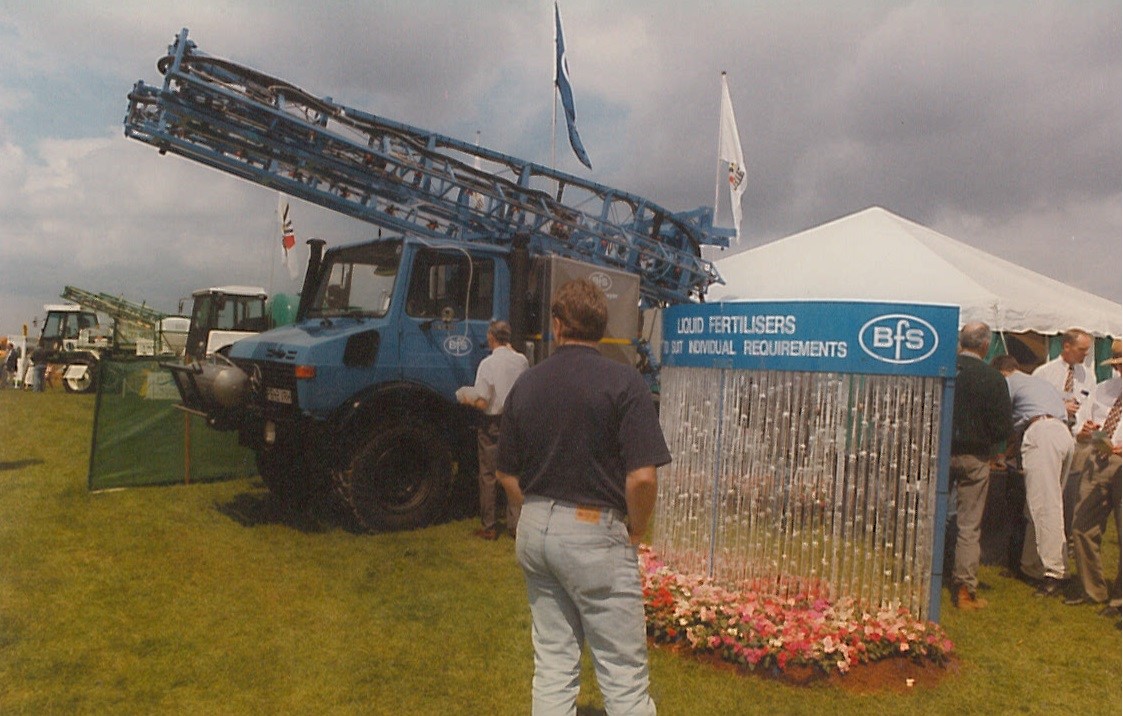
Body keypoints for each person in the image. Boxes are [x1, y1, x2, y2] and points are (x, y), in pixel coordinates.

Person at [497, 278, 669, 715]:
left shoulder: (527, 382)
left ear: (557, 325)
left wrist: (538, 514)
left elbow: (505, 473)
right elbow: (642, 479)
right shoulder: (624, 382)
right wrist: (636, 530)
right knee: (623, 674)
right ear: (602, 326)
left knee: (553, 664)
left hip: (535, 527)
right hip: (595, 531)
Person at [993, 354, 1075, 597]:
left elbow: (1001, 419)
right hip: (1063, 434)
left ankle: (1055, 572)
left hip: (1041, 433)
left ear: (1001, 372)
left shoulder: (1008, 382)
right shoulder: (1039, 383)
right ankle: (1031, 565)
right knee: (1038, 504)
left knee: (1044, 505)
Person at [949, 322, 1013, 610]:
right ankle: (964, 590)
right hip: (975, 456)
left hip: (942, 451)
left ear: (961, 342)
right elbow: (1003, 427)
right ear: (986, 346)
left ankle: (923, 576)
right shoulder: (994, 378)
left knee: (932, 517)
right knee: (969, 524)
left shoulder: (946, 370)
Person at [1064, 339, 1121, 614]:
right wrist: (1084, 430)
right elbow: (1081, 423)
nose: (1120, 370)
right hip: (1098, 459)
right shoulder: (1105, 388)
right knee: (1082, 527)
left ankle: (1119, 601)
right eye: (1118, 365)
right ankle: (1093, 590)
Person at [458, 319, 528, 540]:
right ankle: (515, 525)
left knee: (488, 474)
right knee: (513, 473)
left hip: (493, 424)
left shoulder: (487, 364)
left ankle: (489, 526)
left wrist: (465, 397)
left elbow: (482, 402)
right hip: (515, 422)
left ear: (491, 337)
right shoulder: (522, 361)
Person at [1032, 328, 1095, 425]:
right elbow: (1033, 405)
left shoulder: (1087, 376)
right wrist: (1060, 408)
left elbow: (1088, 408)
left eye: (1087, 349)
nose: (1086, 353)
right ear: (1067, 347)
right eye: (1082, 349)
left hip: (1077, 430)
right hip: (1050, 426)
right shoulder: (1044, 373)